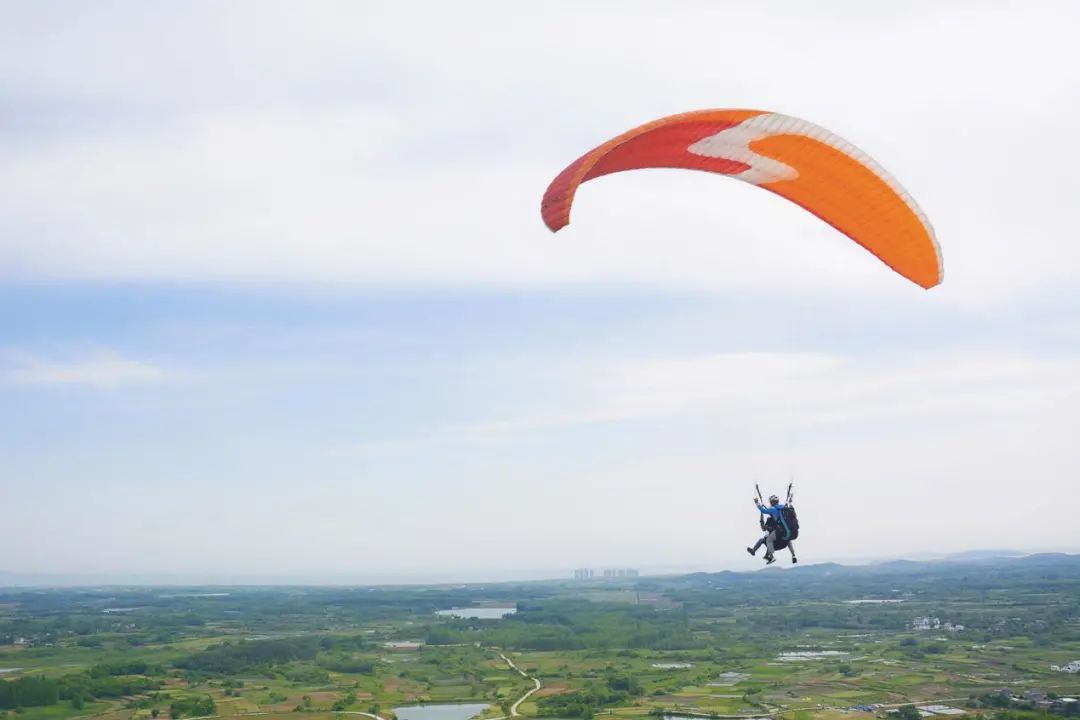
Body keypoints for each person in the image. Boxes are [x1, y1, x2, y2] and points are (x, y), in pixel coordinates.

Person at [748, 494, 797, 565]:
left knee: (768, 540)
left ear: (772, 502)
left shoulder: (773, 509)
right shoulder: (784, 508)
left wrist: (757, 503)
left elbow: (763, 510)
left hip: (779, 532)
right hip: (787, 531)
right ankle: (793, 555)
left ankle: (771, 557)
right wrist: (791, 498)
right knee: (788, 539)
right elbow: (790, 505)